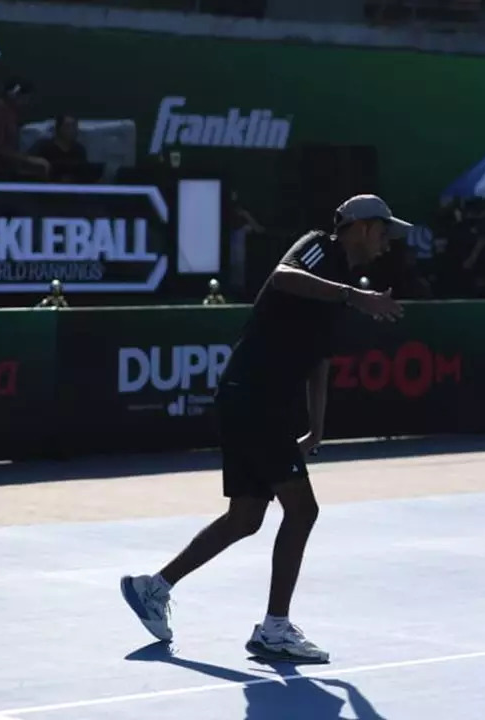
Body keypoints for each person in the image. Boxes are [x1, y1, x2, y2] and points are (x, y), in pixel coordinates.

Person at [120, 195, 411, 663]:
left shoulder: (341, 284)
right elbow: (281, 276)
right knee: (302, 510)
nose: (386, 244)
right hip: (254, 396)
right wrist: (354, 296)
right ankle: (275, 628)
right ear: (357, 227)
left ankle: (153, 587)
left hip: (256, 400)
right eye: (383, 231)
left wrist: (316, 429)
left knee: (247, 517)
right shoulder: (321, 247)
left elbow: (319, 359)